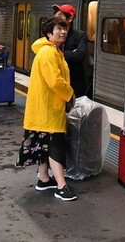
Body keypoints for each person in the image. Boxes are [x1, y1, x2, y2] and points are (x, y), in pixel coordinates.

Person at [16, 16, 77, 201]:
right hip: (48, 109)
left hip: (46, 108)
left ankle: (44, 179)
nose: (63, 32)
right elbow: (55, 80)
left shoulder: (53, 51)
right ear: (49, 33)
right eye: (58, 29)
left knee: (44, 146)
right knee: (55, 146)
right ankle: (61, 186)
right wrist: (70, 94)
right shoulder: (48, 53)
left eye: (64, 28)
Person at [52, 4, 89, 98]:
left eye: (60, 15)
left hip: (74, 83)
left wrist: (57, 53)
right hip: (57, 82)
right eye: (55, 15)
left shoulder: (80, 35)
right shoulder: (52, 34)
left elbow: (80, 55)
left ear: (70, 19)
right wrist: (71, 53)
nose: (56, 18)